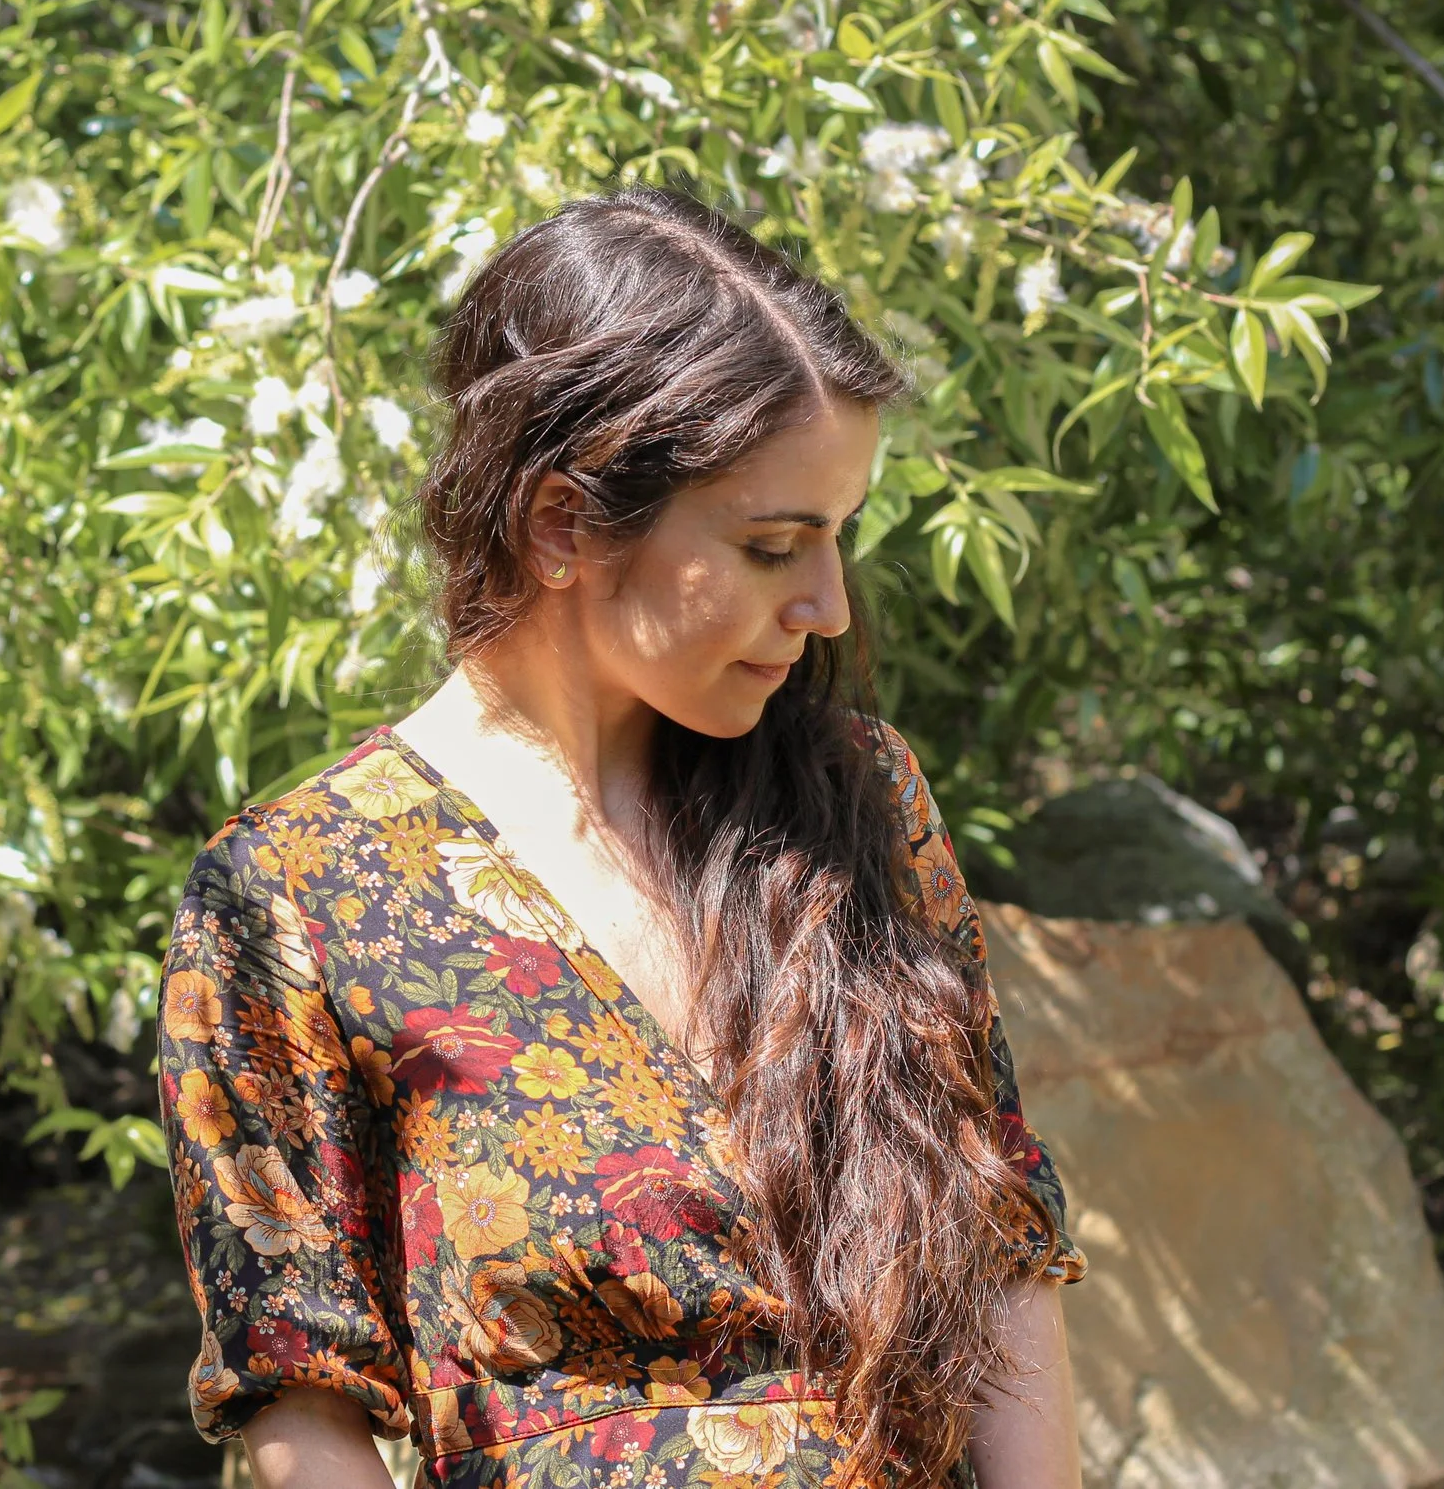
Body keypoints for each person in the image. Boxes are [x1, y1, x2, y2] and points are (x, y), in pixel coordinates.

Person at [157, 185, 1085, 1489]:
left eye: (840, 537)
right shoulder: (293, 896)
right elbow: (299, 1414)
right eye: (774, 545)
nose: (827, 603)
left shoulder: (859, 802)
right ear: (562, 524)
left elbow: (998, 1246)